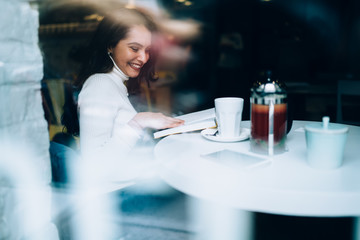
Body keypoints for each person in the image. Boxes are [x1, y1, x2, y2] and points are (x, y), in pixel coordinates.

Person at [62, 7, 184, 180]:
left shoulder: (114, 84)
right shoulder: (100, 85)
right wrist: (138, 123)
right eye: (135, 48)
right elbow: (94, 167)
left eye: (147, 50)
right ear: (110, 45)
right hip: (119, 195)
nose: (143, 58)